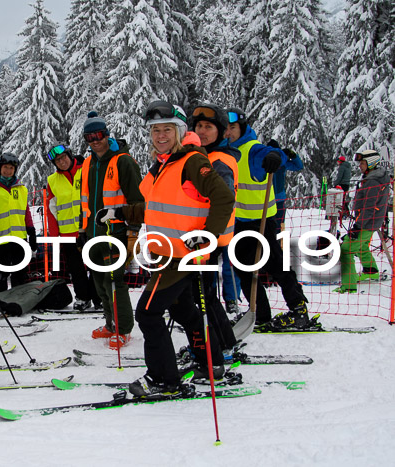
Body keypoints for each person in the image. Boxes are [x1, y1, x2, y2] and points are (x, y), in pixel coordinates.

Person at [128, 101, 234, 397]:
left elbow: (224, 197)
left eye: (167, 129)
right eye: (155, 130)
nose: (161, 135)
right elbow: (154, 207)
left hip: (181, 254)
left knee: (148, 313)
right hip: (168, 253)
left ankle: (164, 380)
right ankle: (210, 364)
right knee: (186, 310)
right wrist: (120, 212)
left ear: (179, 131)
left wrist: (207, 236)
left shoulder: (191, 161)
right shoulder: (165, 164)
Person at [223, 107, 313, 330]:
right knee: (244, 270)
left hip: (262, 221)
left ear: (242, 128)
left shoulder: (253, 149)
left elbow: (276, 154)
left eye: (232, 128)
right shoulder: (226, 152)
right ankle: (259, 313)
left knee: (275, 265)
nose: (228, 133)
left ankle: (298, 308)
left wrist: (276, 155)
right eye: (225, 128)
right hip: (240, 223)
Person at [78, 111, 144, 350]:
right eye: (89, 137)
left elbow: (138, 201)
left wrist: (133, 233)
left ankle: (124, 328)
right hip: (93, 232)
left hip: (115, 231)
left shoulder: (123, 161)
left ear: (107, 134)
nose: (95, 140)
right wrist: (82, 229)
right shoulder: (88, 163)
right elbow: (83, 199)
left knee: (115, 281)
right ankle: (110, 324)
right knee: (99, 282)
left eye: (99, 134)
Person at [189, 104, 239, 350]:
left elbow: (224, 199)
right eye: (199, 126)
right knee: (205, 294)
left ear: (220, 132)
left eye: (209, 127)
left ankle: (217, 345)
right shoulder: (204, 156)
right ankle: (225, 341)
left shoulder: (218, 161)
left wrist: (207, 234)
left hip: (210, 238)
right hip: (203, 237)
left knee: (202, 295)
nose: (202, 131)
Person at [44, 143, 100, 311]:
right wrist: (55, 237)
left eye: (63, 157)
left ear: (69, 155)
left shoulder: (86, 170)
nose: (61, 162)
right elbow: (51, 210)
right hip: (68, 233)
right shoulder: (52, 181)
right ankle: (82, 297)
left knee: (96, 265)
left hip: (89, 229)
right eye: (57, 161)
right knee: (76, 270)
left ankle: (98, 297)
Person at [0, 153, 37, 297]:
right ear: (0, 168)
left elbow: (26, 211)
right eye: (5, 167)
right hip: (0, 240)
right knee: (1, 273)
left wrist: (31, 231)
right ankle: (0, 299)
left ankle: (20, 300)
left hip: (19, 238)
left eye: (11, 168)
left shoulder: (21, 189)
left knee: (21, 272)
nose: (8, 171)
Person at [334, 150, 390, 293]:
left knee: (346, 249)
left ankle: (348, 286)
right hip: (370, 221)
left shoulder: (372, 181)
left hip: (367, 222)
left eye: (363, 163)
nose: (360, 166)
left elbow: (370, 206)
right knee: (362, 246)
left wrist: (358, 226)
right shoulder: (376, 176)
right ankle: (371, 271)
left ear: (371, 164)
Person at [266, 139, 304, 236]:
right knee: (268, 226)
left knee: (278, 226)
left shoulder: (282, 162)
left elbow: (298, 166)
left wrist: (293, 156)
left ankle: (278, 246)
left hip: (279, 199)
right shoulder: (264, 161)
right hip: (266, 199)